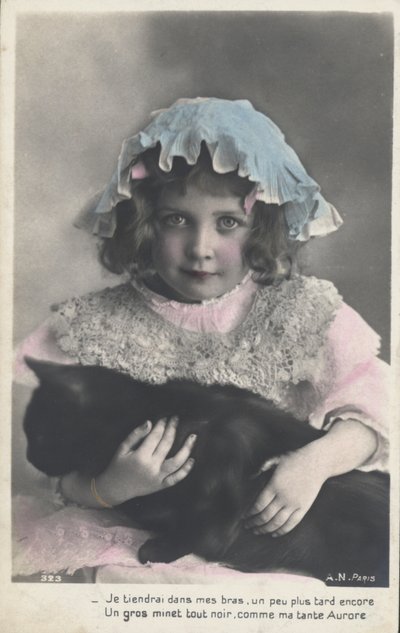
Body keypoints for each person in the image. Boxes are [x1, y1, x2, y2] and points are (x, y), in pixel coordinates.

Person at [13, 98, 389, 577]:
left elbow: (374, 414)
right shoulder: (96, 326)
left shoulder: (298, 312)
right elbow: (56, 469)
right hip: (132, 535)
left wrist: (313, 464)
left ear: (260, 229)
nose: (200, 248)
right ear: (145, 223)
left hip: (271, 535)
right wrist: (108, 487)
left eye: (227, 222)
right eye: (176, 220)